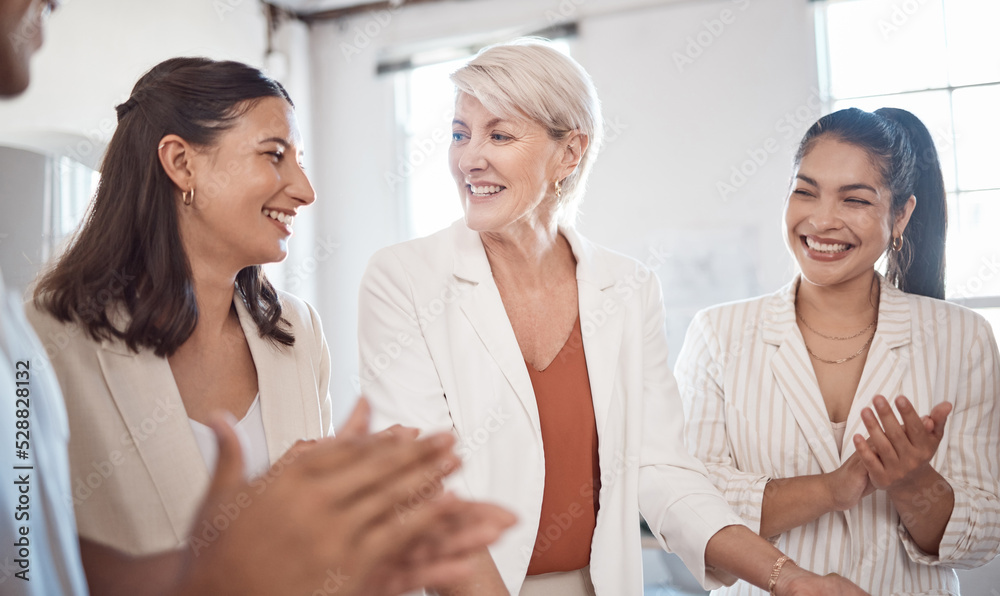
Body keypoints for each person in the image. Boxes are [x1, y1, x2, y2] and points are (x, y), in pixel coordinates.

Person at [1, 8, 513, 590]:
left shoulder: (296, 334)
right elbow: (24, 566)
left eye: (299, 160)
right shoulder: (44, 341)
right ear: (181, 162)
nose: (305, 189)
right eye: (274, 154)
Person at [358, 38, 868, 596]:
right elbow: (425, 487)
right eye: (460, 133)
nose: (468, 158)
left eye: (498, 134)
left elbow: (663, 471)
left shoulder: (626, 288)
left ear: (570, 153)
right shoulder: (405, 278)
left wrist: (789, 579)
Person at [675, 107, 1000, 595]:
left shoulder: (962, 337)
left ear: (902, 214)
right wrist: (831, 489)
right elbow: (687, 504)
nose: (822, 220)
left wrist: (913, 482)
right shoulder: (719, 333)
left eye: (855, 200)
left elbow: (985, 537)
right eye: (805, 191)